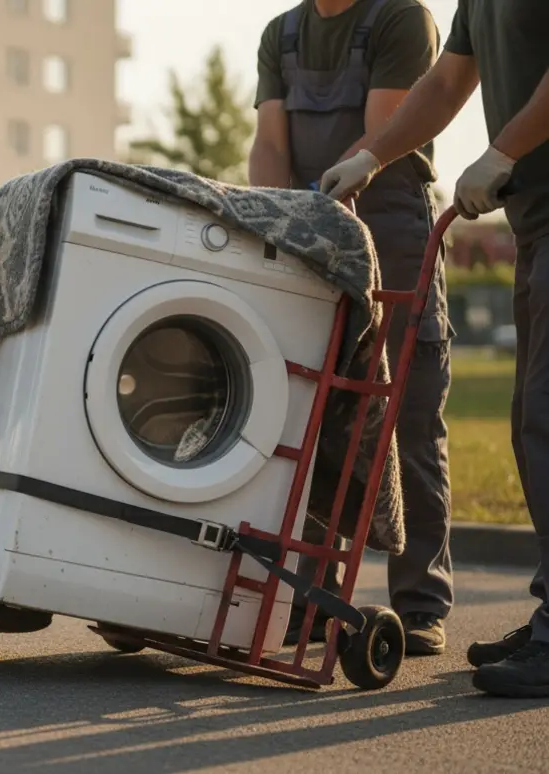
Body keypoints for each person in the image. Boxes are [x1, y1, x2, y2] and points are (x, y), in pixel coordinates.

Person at [321, 0, 549, 698]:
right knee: (529, 423)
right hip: (536, 226)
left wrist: (503, 149)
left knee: (547, 418)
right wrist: (371, 155)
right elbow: (448, 84)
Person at [248, 0, 453, 656]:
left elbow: (382, 135)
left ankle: (420, 602)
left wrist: (324, 202)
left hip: (389, 225)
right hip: (309, 228)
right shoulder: (281, 34)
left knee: (406, 418)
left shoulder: (400, 18)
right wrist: (278, 222)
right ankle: (313, 599)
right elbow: (270, 145)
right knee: (310, 413)